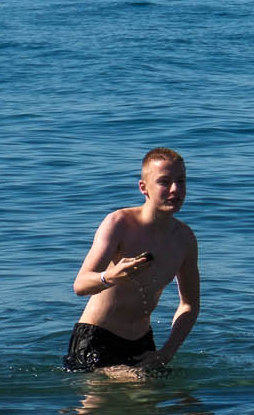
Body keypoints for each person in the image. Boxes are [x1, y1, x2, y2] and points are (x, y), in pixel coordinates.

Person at [67, 147, 201, 372]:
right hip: (96, 339)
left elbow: (189, 305)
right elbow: (80, 286)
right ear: (144, 187)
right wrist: (111, 276)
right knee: (136, 389)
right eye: (164, 182)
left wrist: (166, 353)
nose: (175, 189)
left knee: (159, 404)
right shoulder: (119, 223)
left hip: (142, 342)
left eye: (181, 181)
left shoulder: (184, 239)